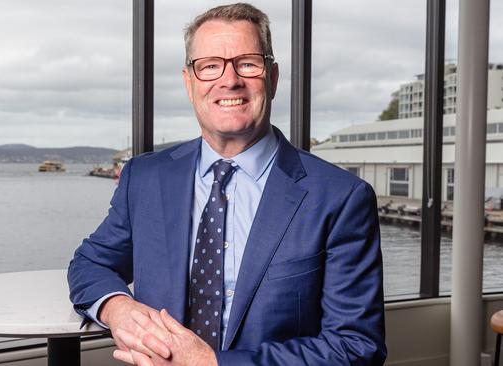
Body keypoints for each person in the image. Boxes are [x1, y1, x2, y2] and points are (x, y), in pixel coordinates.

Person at [68, 3, 387, 365]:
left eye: (247, 63)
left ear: (273, 77)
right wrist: (118, 309)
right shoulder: (145, 177)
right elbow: (89, 263)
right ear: (189, 83)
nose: (229, 80)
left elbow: (357, 347)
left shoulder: (340, 197)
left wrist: (211, 364)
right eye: (209, 67)